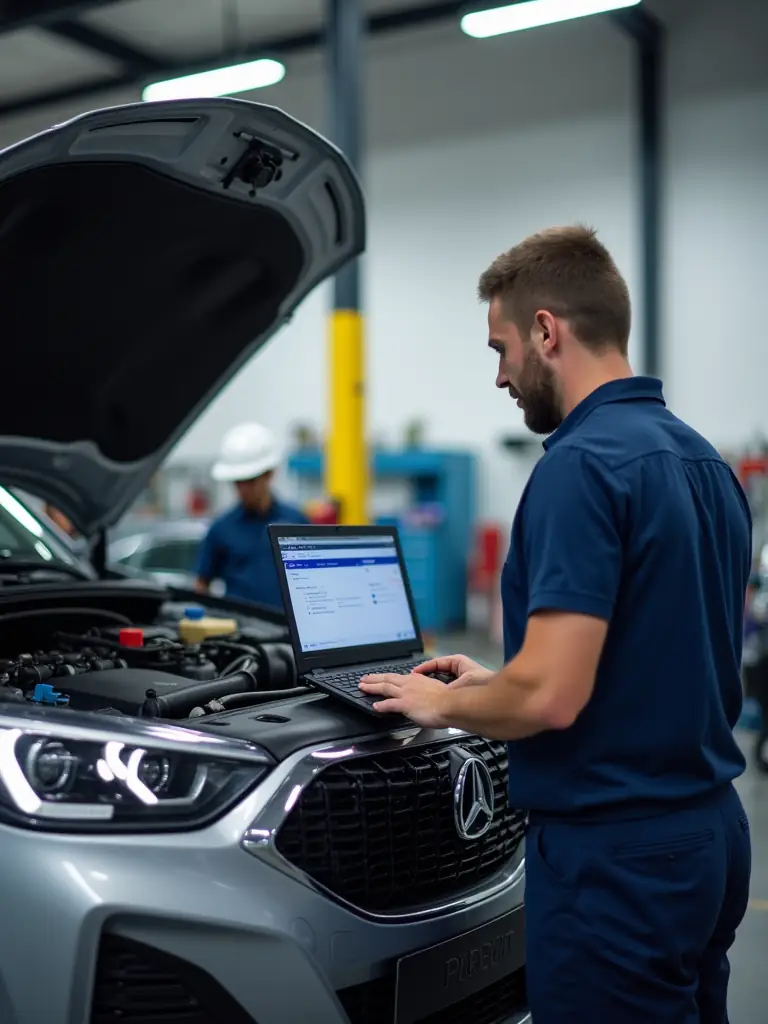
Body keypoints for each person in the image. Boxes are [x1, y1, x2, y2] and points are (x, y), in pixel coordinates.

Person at [359, 226, 752, 1023]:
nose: (500, 375)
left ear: (547, 331)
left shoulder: (580, 467)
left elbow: (553, 701)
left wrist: (444, 704)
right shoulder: (702, 461)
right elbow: (650, 656)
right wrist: (501, 682)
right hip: (709, 835)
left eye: (500, 347)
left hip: (616, 858)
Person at [194, 422, 308, 607]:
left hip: (287, 630)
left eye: (250, 481)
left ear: (269, 474)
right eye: (238, 482)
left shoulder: (297, 522)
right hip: (241, 631)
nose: (243, 489)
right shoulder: (221, 528)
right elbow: (201, 585)